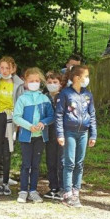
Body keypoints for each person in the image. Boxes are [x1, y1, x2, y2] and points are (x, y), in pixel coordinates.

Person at [56, 65, 97, 207]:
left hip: (84, 133)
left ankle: (76, 191)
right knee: (69, 163)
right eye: (85, 76)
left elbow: (92, 115)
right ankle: (67, 193)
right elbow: (59, 114)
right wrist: (60, 134)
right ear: (77, 78)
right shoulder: (65, 94)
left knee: (79, 163)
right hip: (69, 132)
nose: (87, 79)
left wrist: (93, 134)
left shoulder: (88, 95)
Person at [13, 68, 54, 203]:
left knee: (35, 165)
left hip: (40, 137)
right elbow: (16, 117)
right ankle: (23, 190)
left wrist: (43, 122)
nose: (34, 83)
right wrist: (29, 126)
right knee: (26, 164)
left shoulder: (45, 98)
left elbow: (51, 116)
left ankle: (33, 190)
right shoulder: (22, 99)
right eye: (31, 81)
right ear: (26, 82)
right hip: (26, 136)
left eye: (37, 81)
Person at [0, 56, 24, 196]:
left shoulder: (19, 84)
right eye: (2, 68)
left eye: (7, 68)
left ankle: (5, 181)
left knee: (7, 151)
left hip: (11, 119)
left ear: (13, 68)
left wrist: (19, 122)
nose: (4, 71)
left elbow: (21, 103)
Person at [44, 71, 64, 199]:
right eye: (50, 82)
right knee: (50, 160)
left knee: (61, 161)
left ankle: (63, 187)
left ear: (60, 84)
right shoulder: (43, 97)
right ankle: (53, 187)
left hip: (62, 132)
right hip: (48, 132)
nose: (52, 85)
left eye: (55, 82)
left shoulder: (64, 97)